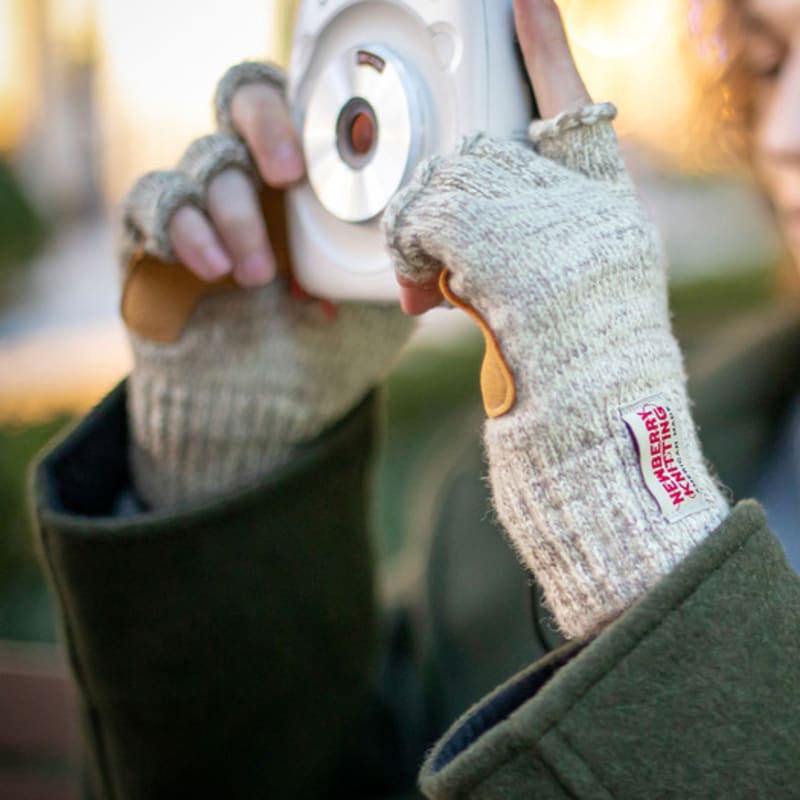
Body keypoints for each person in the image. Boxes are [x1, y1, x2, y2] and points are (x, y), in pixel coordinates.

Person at [32, 0, 800, 797]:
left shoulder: (570, 483)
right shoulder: (497, 524)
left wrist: (643, 564)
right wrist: (223, 461)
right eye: (770, 63)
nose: (783, 130)